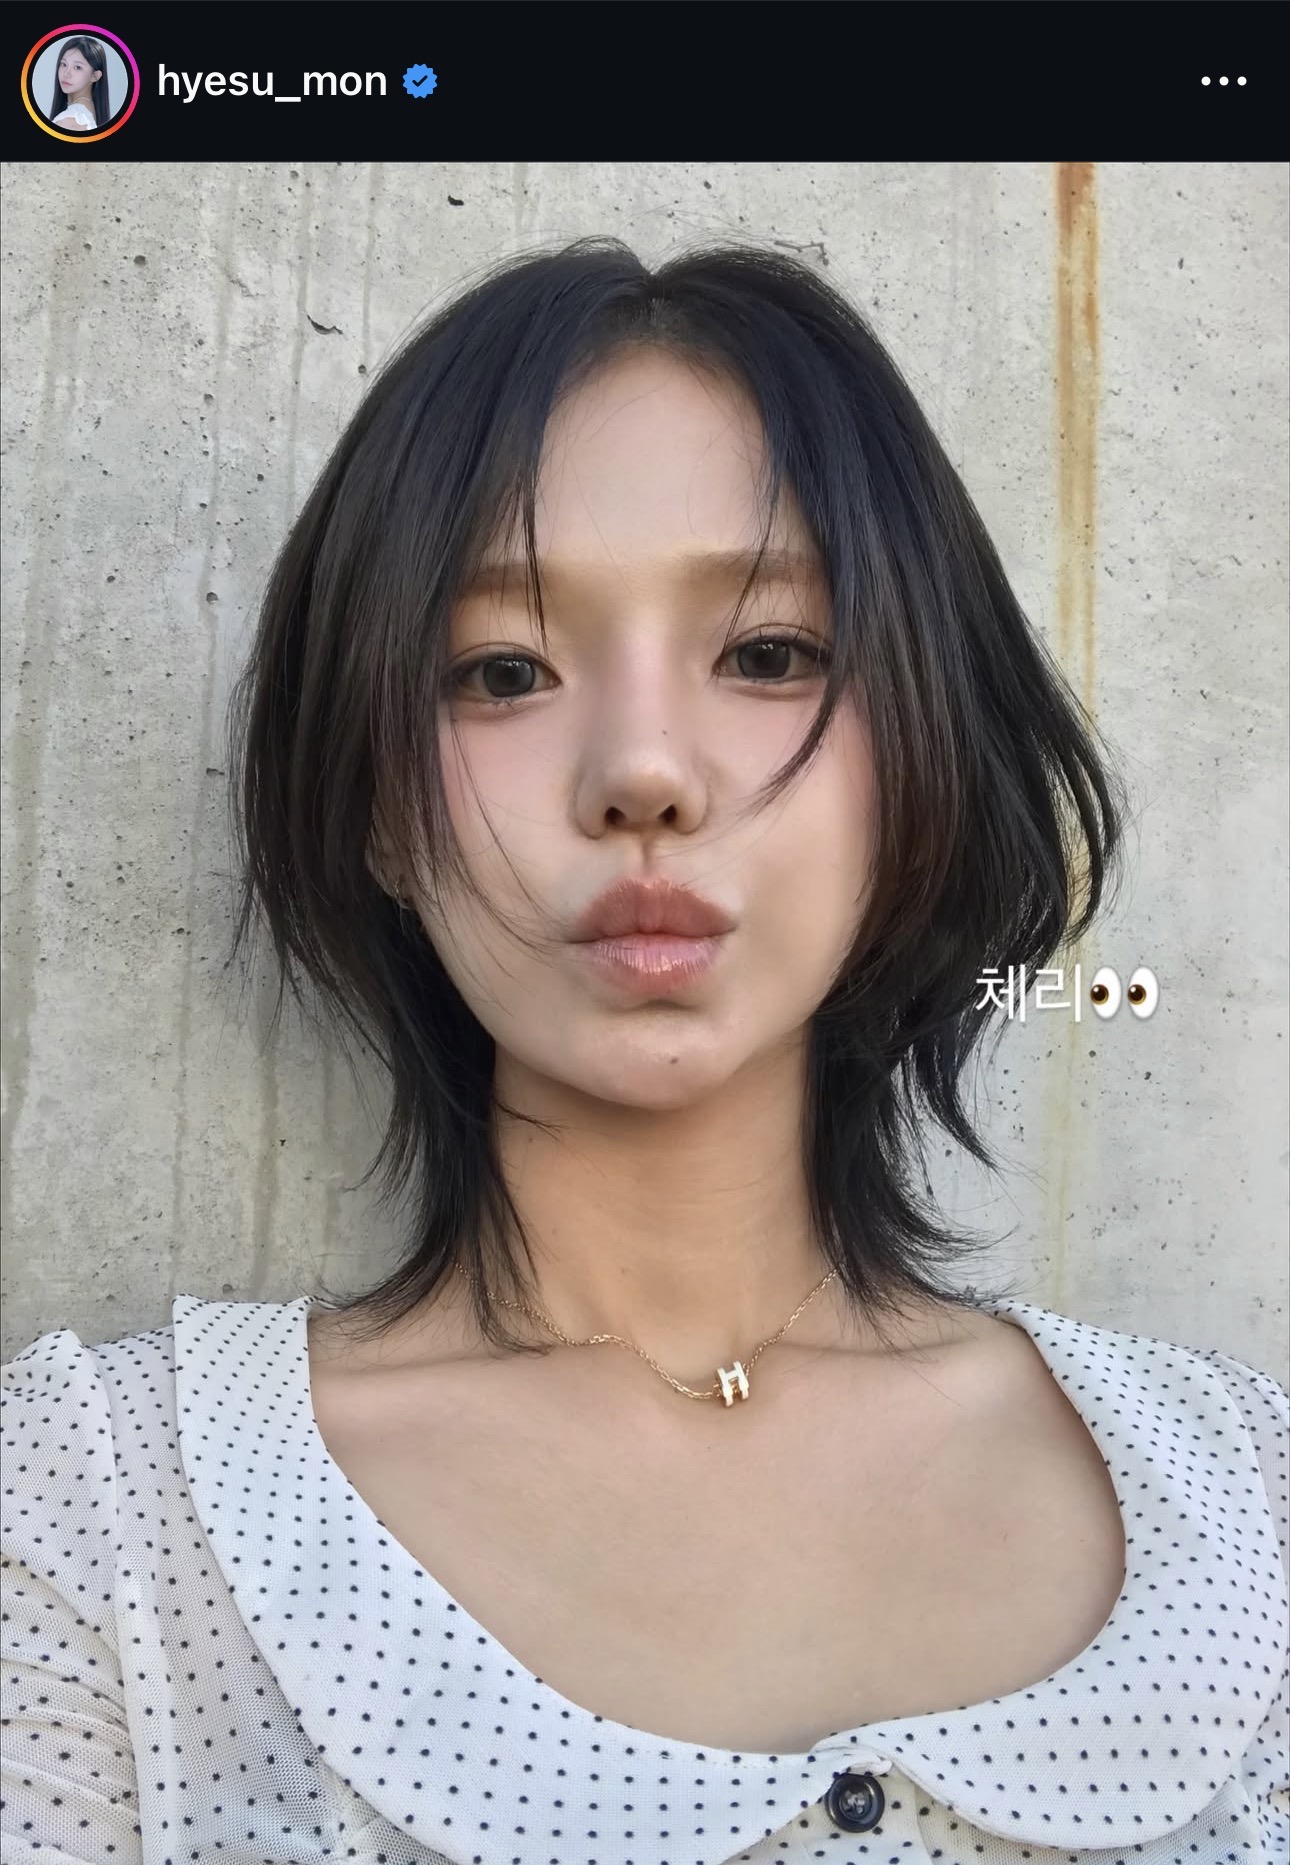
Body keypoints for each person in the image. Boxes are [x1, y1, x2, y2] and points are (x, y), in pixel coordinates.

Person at [2, 241, 1286, 1863]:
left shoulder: (1249, 1499)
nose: (644, 772)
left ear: (919, 768)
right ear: (377, 806)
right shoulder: (100, 1526)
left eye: (769, 654)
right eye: (502, 672)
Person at [48, 36, 109, 132]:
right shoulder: (91, 112)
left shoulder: (68, 121)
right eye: (64, 64)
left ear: (95, 76)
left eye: (77, 67)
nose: (66, 73)